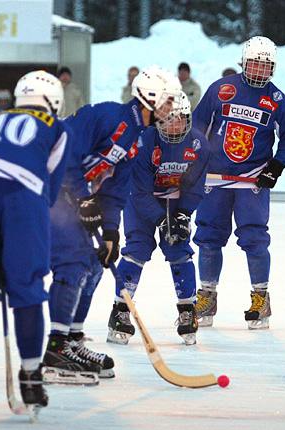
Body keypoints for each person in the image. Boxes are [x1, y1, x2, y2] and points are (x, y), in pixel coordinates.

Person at [41, 65, 182, 383]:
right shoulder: (109, 116)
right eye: (168, 101)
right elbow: (67, 158)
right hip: (44, 187)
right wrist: (84, 200)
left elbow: (116, 192)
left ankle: (72, 342)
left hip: (67, 196)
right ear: (150, 98)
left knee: (93, 264)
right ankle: (56, 350)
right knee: (74, 262)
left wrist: (111, 232)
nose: (172, 109)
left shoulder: (138, 138)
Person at [0, 70, 71, 416]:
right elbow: (48, 189)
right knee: (26, 284)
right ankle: (32, 378)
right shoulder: (58, 127)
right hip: (21, 190)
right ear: (53, 102)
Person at [191, 36, 285, 330]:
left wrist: (276, 166)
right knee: (208, 236)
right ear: (244, 62)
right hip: (215, 178)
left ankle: (261, 297)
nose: (259, 70)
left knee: (254, 238)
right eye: (254, 63)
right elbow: (198, 125)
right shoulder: (222, 89)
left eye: (265, 66)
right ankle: (207, 295)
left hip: (251, 180)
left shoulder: (278, 101)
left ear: (273, 69)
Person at [107, 93, 210, 346]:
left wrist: (184, 214)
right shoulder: (142, 142)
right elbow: (138, 190)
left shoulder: (199, 145)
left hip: (175, 200)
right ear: (157, 120)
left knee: (179, 249)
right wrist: (159, 219)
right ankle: (120, 310)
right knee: (137, 250)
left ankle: (188, 310)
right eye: (168, 120)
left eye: (181, 120)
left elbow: (195, 186)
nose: (175, 126)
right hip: (141, 199)